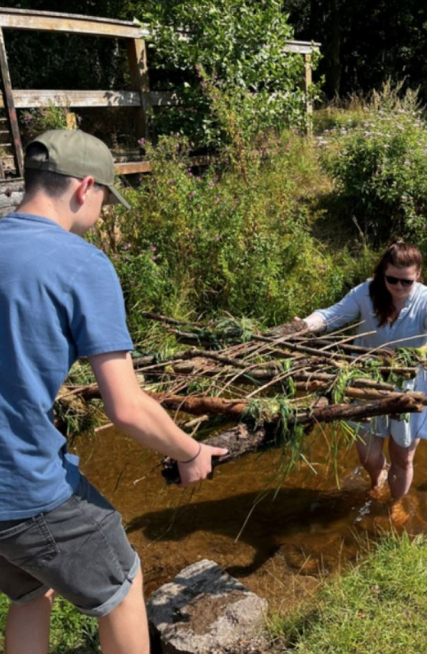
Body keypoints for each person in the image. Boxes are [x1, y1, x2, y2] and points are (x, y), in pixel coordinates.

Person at [0, 130, 227, 654]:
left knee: (31, 591)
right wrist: (190, 451)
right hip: (23, 488)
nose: (102, 211)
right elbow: (125, 408)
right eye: (105, 198)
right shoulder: (81, 263)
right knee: (122, 586)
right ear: (84, 187)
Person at [295, 241, 427, 508]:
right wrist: (303, 325)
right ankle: (376, 481)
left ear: (417, 275)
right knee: (368, 455)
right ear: (383, 272)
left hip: (409, 386)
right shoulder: (366, 293)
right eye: (391, 279)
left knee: (402, 457)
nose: (398, 286)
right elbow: (332, 316)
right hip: (365, 382)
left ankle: (395, 504)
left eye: (406, 281)